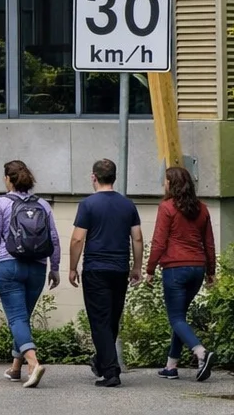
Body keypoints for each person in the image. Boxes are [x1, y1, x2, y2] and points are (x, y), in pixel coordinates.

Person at [0, 159, 61, 388]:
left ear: (8, 179)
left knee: (16, 317)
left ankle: (33, 363)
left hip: (9, 265)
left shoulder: (1, 203)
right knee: (22, 317)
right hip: (37, 267)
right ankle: (16, 368)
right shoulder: (43, 204)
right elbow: (54, 239)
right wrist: (55, 267)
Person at [68, 158, 142, 388]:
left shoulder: (88, 204)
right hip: (120, 268)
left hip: (96, 269)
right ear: (114, 177)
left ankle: (111, 372)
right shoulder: (128, 205)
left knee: (100, 320)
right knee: (111, 319)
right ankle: (102, 362)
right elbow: (137, 238)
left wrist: (72, 267)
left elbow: (78, 239)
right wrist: (137, 266)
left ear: (94, 177)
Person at [145, 165, 217, 382]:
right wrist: (211, 271)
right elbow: (209, 243)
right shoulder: (202, 209)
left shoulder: (166, 207)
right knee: (180, 317)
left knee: (176, 318)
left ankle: (200, 352)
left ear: (171, 184)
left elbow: (159, 241)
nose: (163, 184)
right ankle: (171, 366)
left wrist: (150, 269)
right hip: (197, 269)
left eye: (165, 180)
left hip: (175, 268)